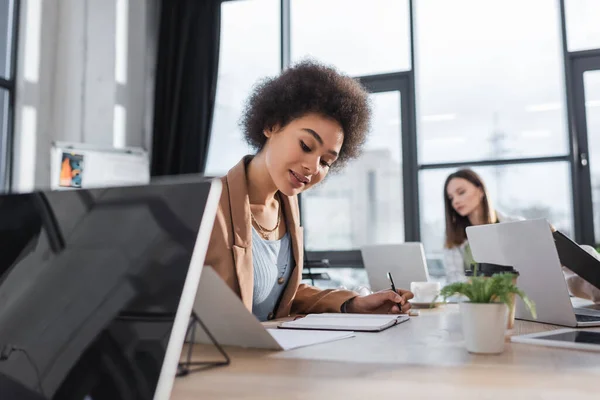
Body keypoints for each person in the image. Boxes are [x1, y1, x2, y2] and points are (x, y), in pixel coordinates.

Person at [205, 61, 413, 321]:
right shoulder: (208, 205)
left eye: (326, 162)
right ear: (271, 125)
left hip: (270, 357)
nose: (313, 168)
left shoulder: (286, 207)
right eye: (306, 145)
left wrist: (354, 303)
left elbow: (278, 293)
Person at [442, 169, 521, 283]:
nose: (456, 201)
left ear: (480, 191)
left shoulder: (515, 225)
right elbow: (454, 280)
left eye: (461, 192)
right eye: (451, 198)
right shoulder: (453, 236)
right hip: (475, 299)